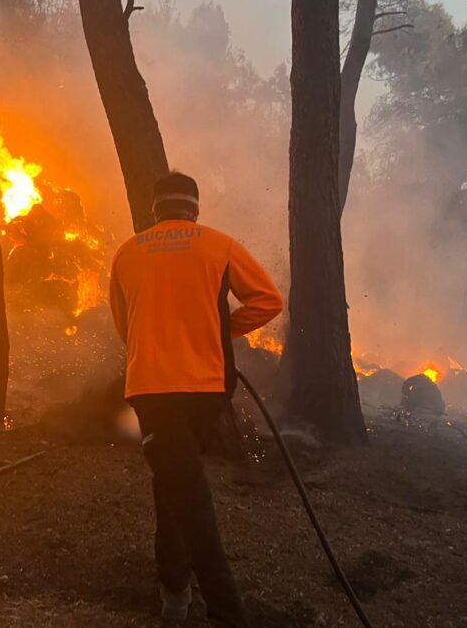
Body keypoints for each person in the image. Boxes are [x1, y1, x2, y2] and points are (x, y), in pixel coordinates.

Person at [108, 172, 283, 627]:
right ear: (195, 209)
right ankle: (175, 591)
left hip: (152, 389)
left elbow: (125, 326)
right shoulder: (219, 245)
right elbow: (267, 300)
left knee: (185, 491)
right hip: (207, 390)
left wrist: (157, 344)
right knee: (177, 483)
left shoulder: (127, 253)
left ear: (154, 210)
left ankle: (224, 612)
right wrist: (220, 331)